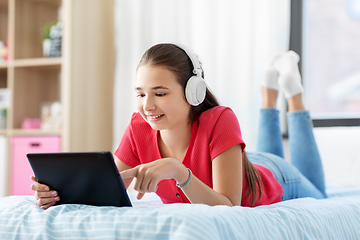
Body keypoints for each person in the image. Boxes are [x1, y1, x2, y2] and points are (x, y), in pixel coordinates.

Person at [31, 43, 327, 210]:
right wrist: (58, 193)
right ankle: (270, 91)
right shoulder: (139, 127)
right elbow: (108, 184)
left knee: (322, 195)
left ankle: (293, 95)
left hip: (275, 176)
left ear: (193, 92)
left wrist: (178, 171)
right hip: (240, 159)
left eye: (160, 93)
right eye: (140, 94)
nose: (147, 105)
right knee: (262, 150)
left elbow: (228, 206)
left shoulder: (221, 119)